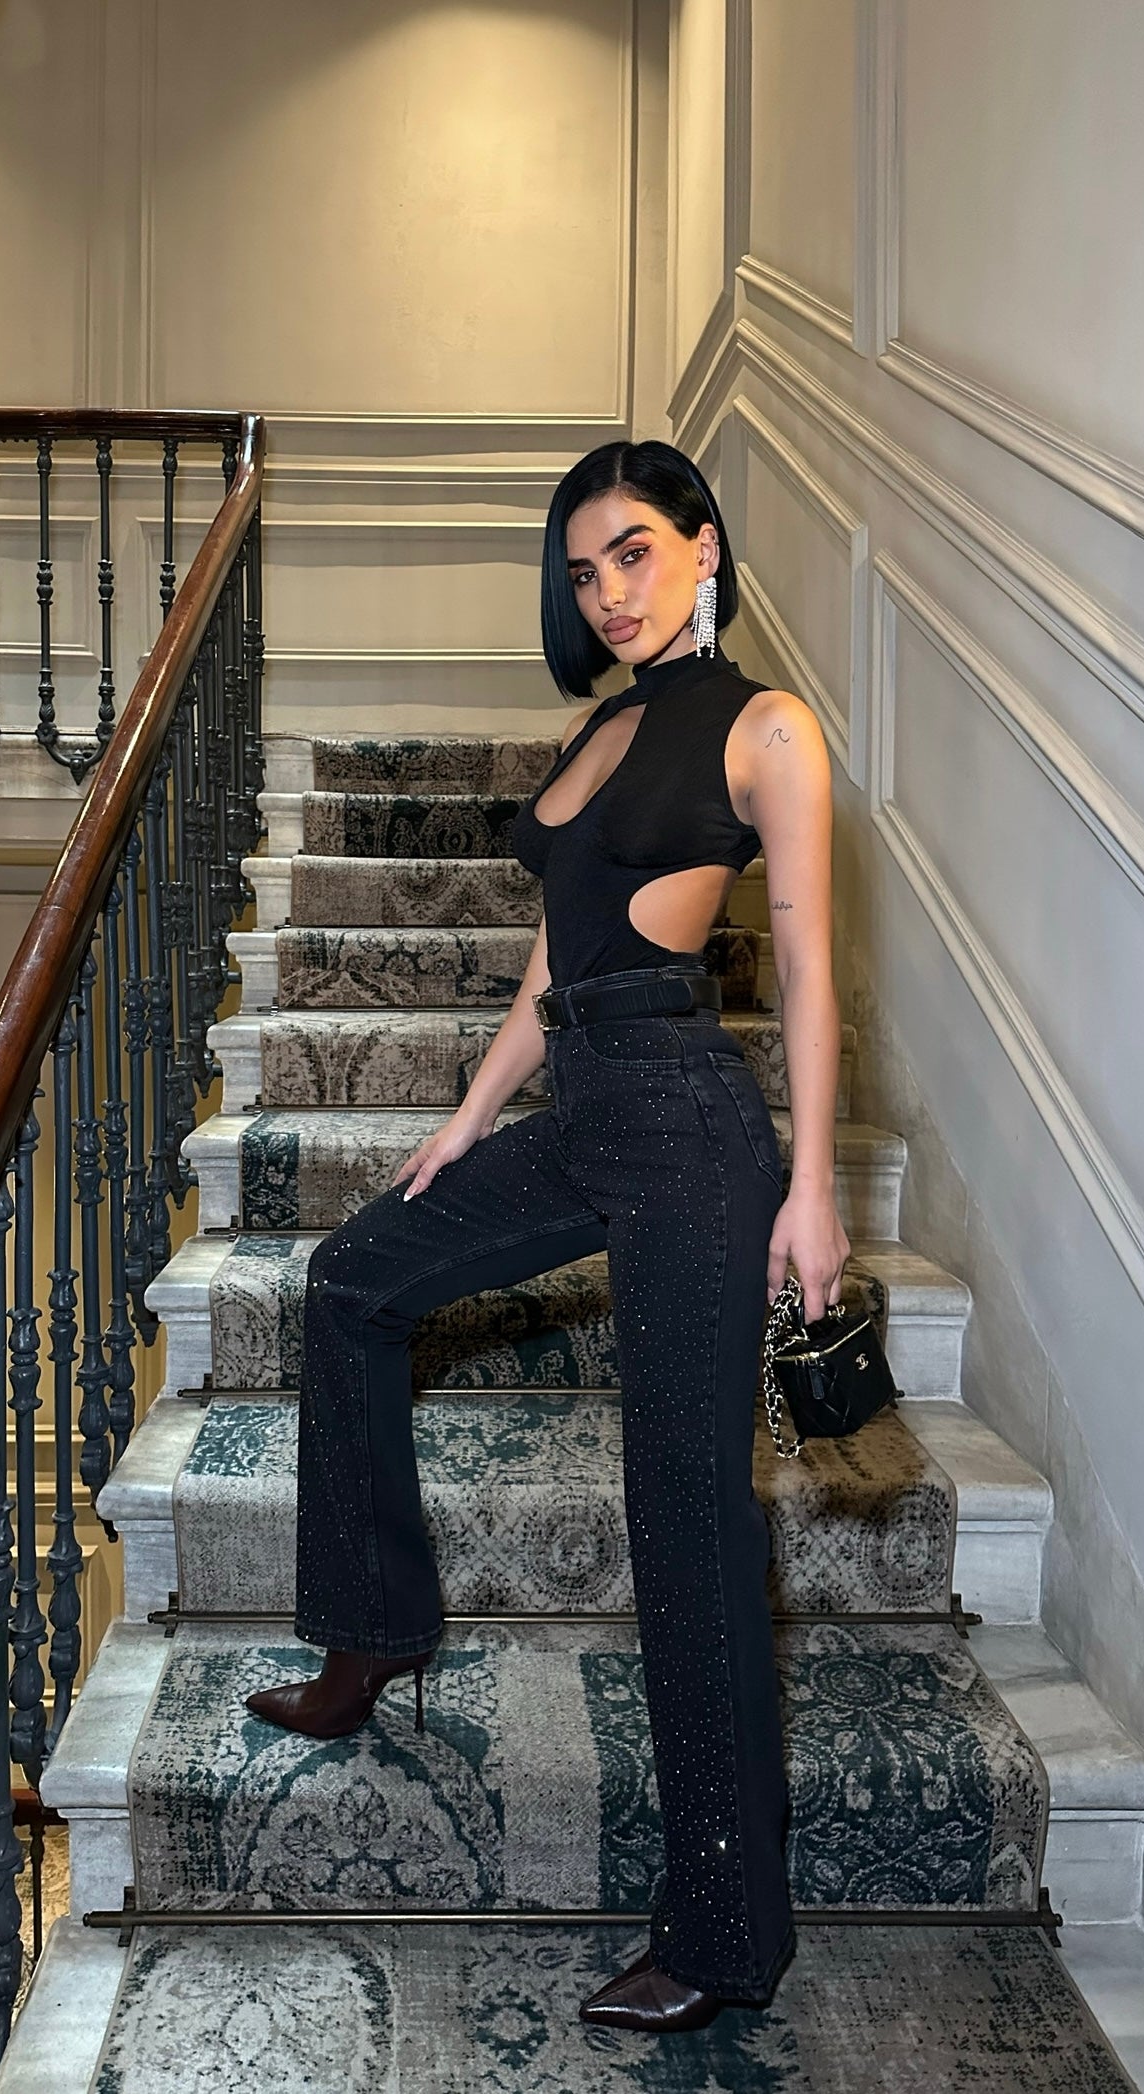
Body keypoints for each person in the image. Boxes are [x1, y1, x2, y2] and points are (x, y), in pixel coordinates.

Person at [246, 438, 850, 2035]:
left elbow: (804, 966)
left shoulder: (767, 730)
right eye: (585, 571)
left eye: (634, 552)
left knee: (685, 1519)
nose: (609, 592)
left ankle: (722, 1934)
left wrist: (813, 1183)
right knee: (352, 1279)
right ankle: (374, 1631)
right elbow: (546, 963)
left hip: (690, 1132)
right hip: (581, 1104)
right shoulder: (606, 726)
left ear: (704, 543)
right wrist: (463, 1119)